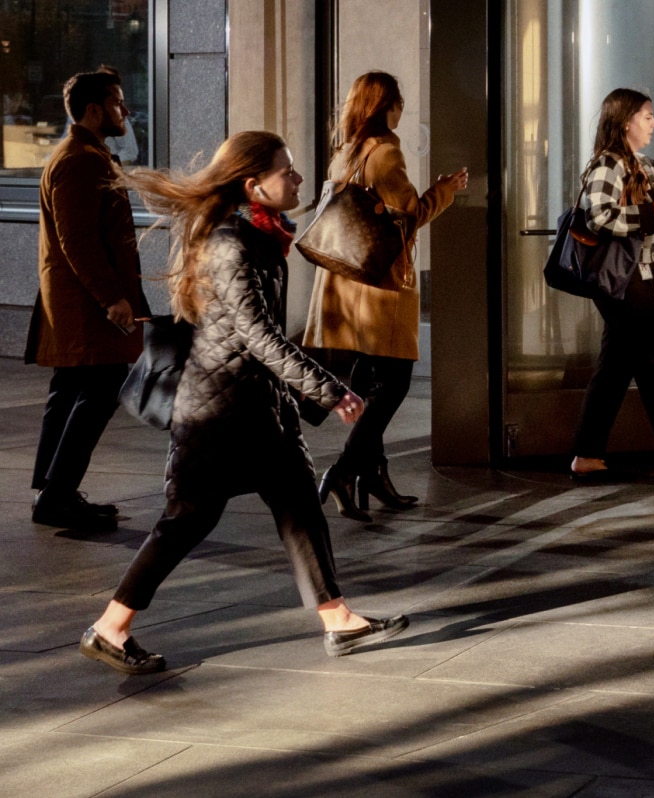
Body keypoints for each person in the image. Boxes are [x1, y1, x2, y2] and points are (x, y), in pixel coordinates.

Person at [79, 130, 407, 675]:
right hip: (218, 416)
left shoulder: (260, 236)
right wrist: (330, 390)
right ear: (255, 185)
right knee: (186, 521)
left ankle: (338, 618)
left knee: (300, 505)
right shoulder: (231, 244)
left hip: (257, 408)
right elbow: (261, 338)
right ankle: (110, 627)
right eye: (289, 171)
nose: (298, 179)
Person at [306, 71, 468, 521]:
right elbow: (410, 216)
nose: (402, 110)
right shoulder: (385, 152)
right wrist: (445, 191)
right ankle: (343, 472)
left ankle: (372, 474)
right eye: (399, 102)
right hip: (379, 287)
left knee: (373, 381)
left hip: (346, 286)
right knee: (393, 385)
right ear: (387, 107)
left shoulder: (346, 152)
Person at [26, 67, 146, 531]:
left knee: (69, 392)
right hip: (87, 305)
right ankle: (56, 495)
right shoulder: (80, 159)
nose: (125, 111)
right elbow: (77, 239)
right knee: (99, 391)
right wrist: (112, 297)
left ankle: (51, 489)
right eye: (117, 102)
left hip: (78, 302)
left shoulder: (85, 153)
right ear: (94, 110)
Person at [569, 88, 654, 480]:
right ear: (626, 120)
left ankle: (587, 455)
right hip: (619, 279)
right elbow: (599, 218)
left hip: (636, 275)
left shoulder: (643, 164)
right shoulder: (608, 165)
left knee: (616, 366)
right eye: (647, 115)